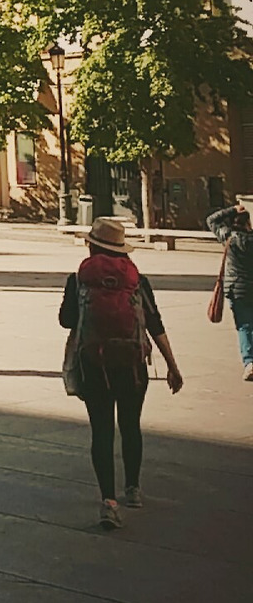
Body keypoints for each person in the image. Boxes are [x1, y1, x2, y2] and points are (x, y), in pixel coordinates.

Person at [60, 216, 183, 530]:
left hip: (94, 366)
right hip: (132, 366)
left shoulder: (78, 279)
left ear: (92, 246)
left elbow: (66, 320)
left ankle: (108, 501)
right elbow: (154, 323)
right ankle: (133, 489)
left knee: (101, 430)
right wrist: (172, 366)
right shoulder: (137, 280)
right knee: (130, 425)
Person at [206, 200, 253, 381]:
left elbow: (211, 220)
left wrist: (232, 209)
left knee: (244, 325)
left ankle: (249, 363)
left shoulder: (228, 237)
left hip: (236, 290)